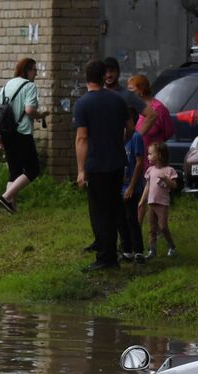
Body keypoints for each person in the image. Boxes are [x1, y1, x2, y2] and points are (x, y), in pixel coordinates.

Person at [73, 58, 131, 271]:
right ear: (102, 76)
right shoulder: (118, 100)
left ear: (86, 78)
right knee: (114, 208)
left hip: (96, 164)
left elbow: (81, 138)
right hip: (117, 162)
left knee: (99, 212)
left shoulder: (83, 104)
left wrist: (81, 170)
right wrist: (120, 142)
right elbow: (130, 128)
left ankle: (106, 258)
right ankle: (112, 253)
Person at [0, 57, 41, 215]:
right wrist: (40, 115)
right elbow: (29, 110)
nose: (36, 73)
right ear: (27, 70)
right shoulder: (30, 86)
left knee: (14, 171)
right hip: (22, 132)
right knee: (33, 169)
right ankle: (6, 197)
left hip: (7, 132)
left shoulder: (8, 84)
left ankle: (11, 207)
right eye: (34, 70)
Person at [142, 141, 179, 258]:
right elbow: (147, 186)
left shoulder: (169, 170)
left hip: (162, 204)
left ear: (159, 155)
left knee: (163, 227)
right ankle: (152, 251)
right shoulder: (150, 170)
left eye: (150, 154)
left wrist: (166, 179)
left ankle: (171, 246)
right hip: (151, 202)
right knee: (152, 228)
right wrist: (142, 200)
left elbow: (174, 185)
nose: (148, 156)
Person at [128, 73, 172, 168]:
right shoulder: (132, 108)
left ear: (141, 90)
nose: (128, 93)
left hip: (152, 164)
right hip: (135, 162)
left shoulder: (158, 109)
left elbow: (168, 132)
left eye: (131, 90)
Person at [120, 128, 146, 261]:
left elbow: (139, 163)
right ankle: (126, 251)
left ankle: (138, 251)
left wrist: (131, 187)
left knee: (131, 218)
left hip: (132, 187)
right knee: (121, 220)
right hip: (119, 187)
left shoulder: (136, 138)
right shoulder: (117, 138)